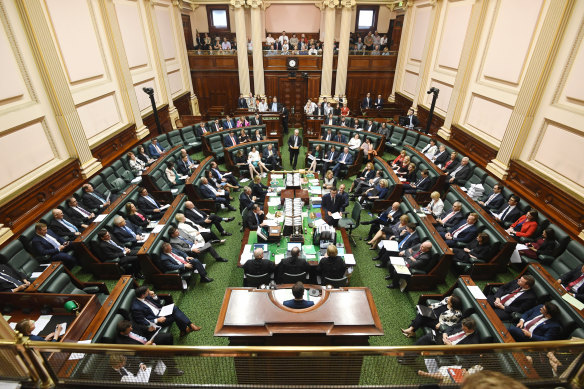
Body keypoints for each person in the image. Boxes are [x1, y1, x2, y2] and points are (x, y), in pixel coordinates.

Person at [131, 286, 201, 337]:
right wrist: (157, 320)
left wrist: (154, 296)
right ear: (143, 295)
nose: (149, 292)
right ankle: (187, 328)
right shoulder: (136, 308)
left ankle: (187, 327)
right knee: (175, 315)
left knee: (174, 308)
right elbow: (142, 321)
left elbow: (158, 302)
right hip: (157, 320)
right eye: (148, 292)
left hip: (161, 311)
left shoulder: (146, 296)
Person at [415, 317, 480, 346]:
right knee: (428, 337)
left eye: (465, 329)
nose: (462, 328)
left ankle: (407, 354)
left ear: (471, 329)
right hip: (445, 338)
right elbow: (451, 327)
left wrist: (450, 345)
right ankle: (409, 354)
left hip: (450, 348)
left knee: (427, 338)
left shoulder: (473, 341)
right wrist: (445, 333)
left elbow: (463, 351)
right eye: (462, 326)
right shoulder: (464, 324)